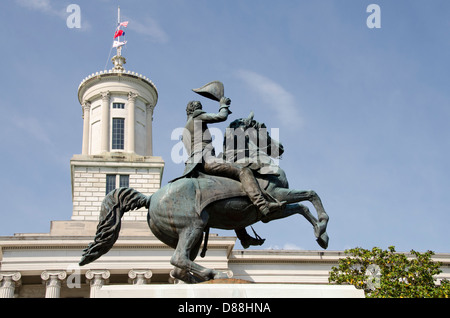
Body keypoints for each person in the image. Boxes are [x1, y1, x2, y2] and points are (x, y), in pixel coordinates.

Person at [178, 97, 283, 216]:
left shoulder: (184, 130)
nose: (200, 110)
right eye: (198, 107)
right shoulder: (197, 116)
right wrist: (223, 105)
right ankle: (262, 204)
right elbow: (221, 116)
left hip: (194, 165)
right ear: (194, 110)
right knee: (243, 171)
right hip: (206, 159)